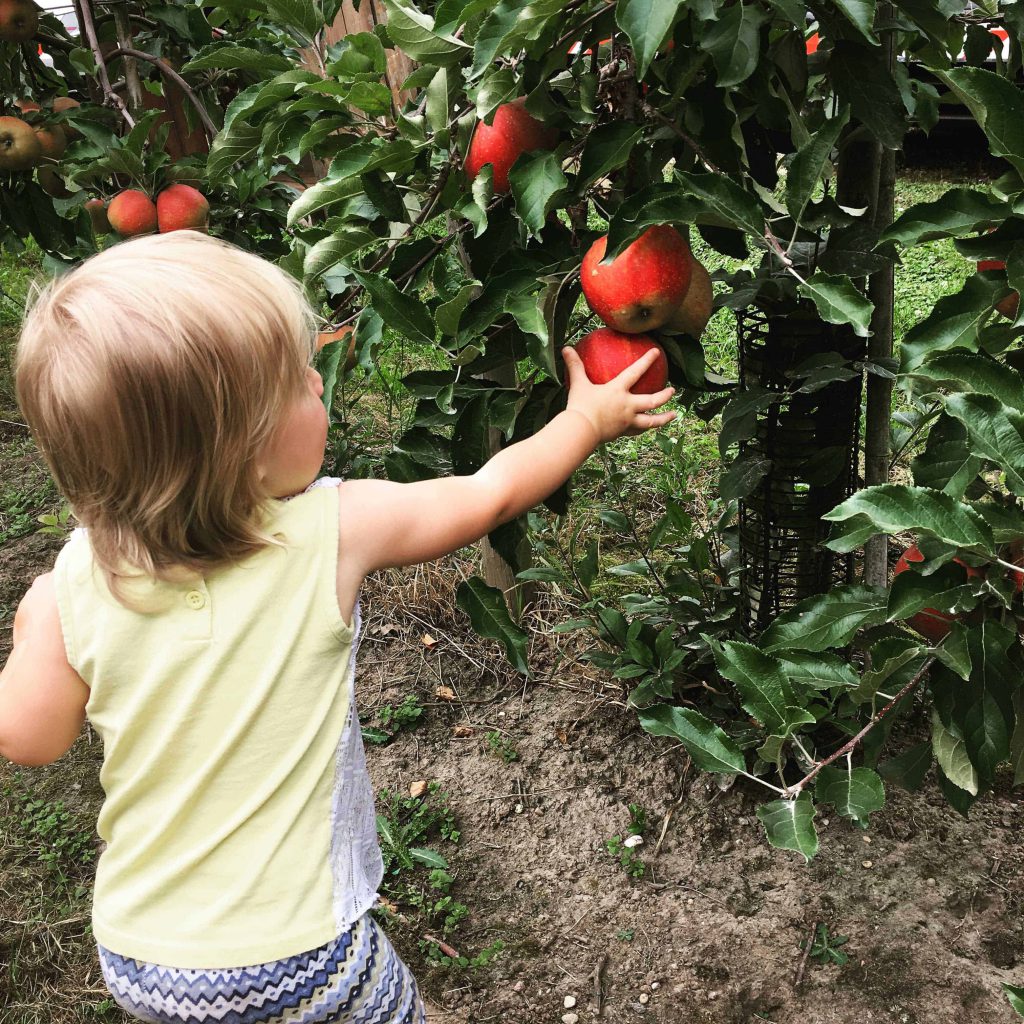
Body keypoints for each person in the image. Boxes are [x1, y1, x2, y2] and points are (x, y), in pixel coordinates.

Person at [0, 230, 676, 1024]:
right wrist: (586, 422)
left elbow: (29, 739)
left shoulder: (70, 590)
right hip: (303, 954)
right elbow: (487, 494)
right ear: (242, 453)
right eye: (295, 382)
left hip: (144, 957)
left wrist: (32, 622)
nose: (319, 382)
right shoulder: (329, 531)